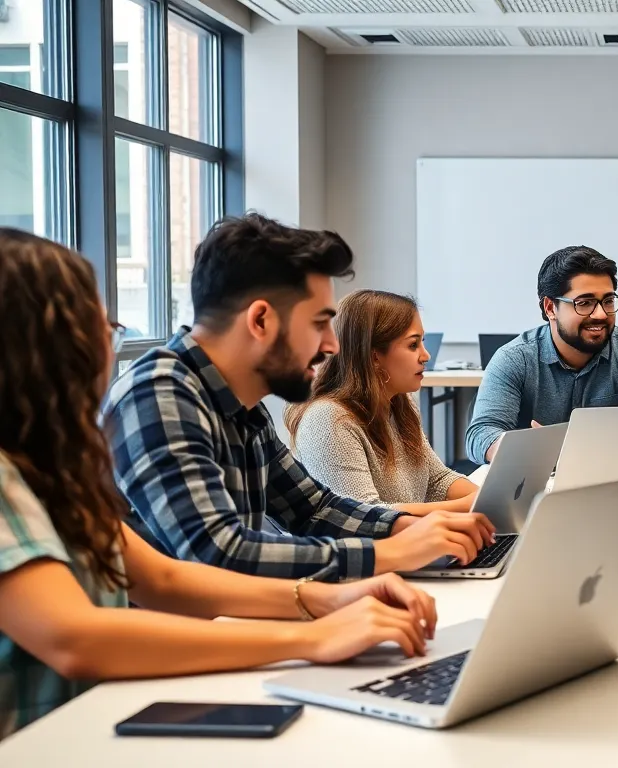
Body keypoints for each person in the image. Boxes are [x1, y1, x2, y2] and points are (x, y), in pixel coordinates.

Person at [0, 229, 441, 740]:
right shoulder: (148, 396)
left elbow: (164, 579)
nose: (331, 345)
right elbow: (76, 637)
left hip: (95, 723)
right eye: (104, 329)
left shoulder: (55, 468)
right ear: (52, 352)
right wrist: (313, 637)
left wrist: (322, 600)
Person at [102, 213, 492, 581]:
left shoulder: (242, 405)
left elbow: (314, 508)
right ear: (260, 320)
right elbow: (219, 553)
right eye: (319, 323)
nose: (332, 345)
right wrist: (391, 553)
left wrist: (414, 529)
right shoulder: (160, 394)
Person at [286, 290, 483, 516]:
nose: (425, 355)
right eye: (412, 345)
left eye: (422, 343)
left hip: (409, 543)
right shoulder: (328, 420)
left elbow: (437, 480)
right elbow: (364, 516)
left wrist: (488, 499)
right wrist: (469, 506)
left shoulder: (397, 405)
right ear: (374, 356)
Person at [464, 245, 618, 464]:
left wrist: (573, 449)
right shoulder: (515, 358)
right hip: (532, 484)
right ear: (550, 308)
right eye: (584, 303)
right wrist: (527, 449)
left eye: (608, 301)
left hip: (607, 481)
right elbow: (480, 435)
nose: (600, 314)